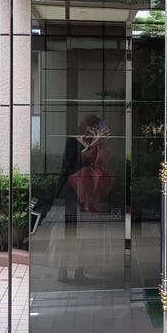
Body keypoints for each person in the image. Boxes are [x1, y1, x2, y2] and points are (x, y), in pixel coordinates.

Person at [52, 114, 113, 283]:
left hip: (87, 193)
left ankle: (79, 270)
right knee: (68, 232)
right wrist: (93, 144)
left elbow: (102, 164)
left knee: (84, 233)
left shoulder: (95, 143)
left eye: (97, 128)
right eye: (92, 127)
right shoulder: (73, 141)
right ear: (85, 127)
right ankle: (63, 269)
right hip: (72, 192)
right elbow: (74, 164)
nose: (94, 131)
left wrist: (99, 144)